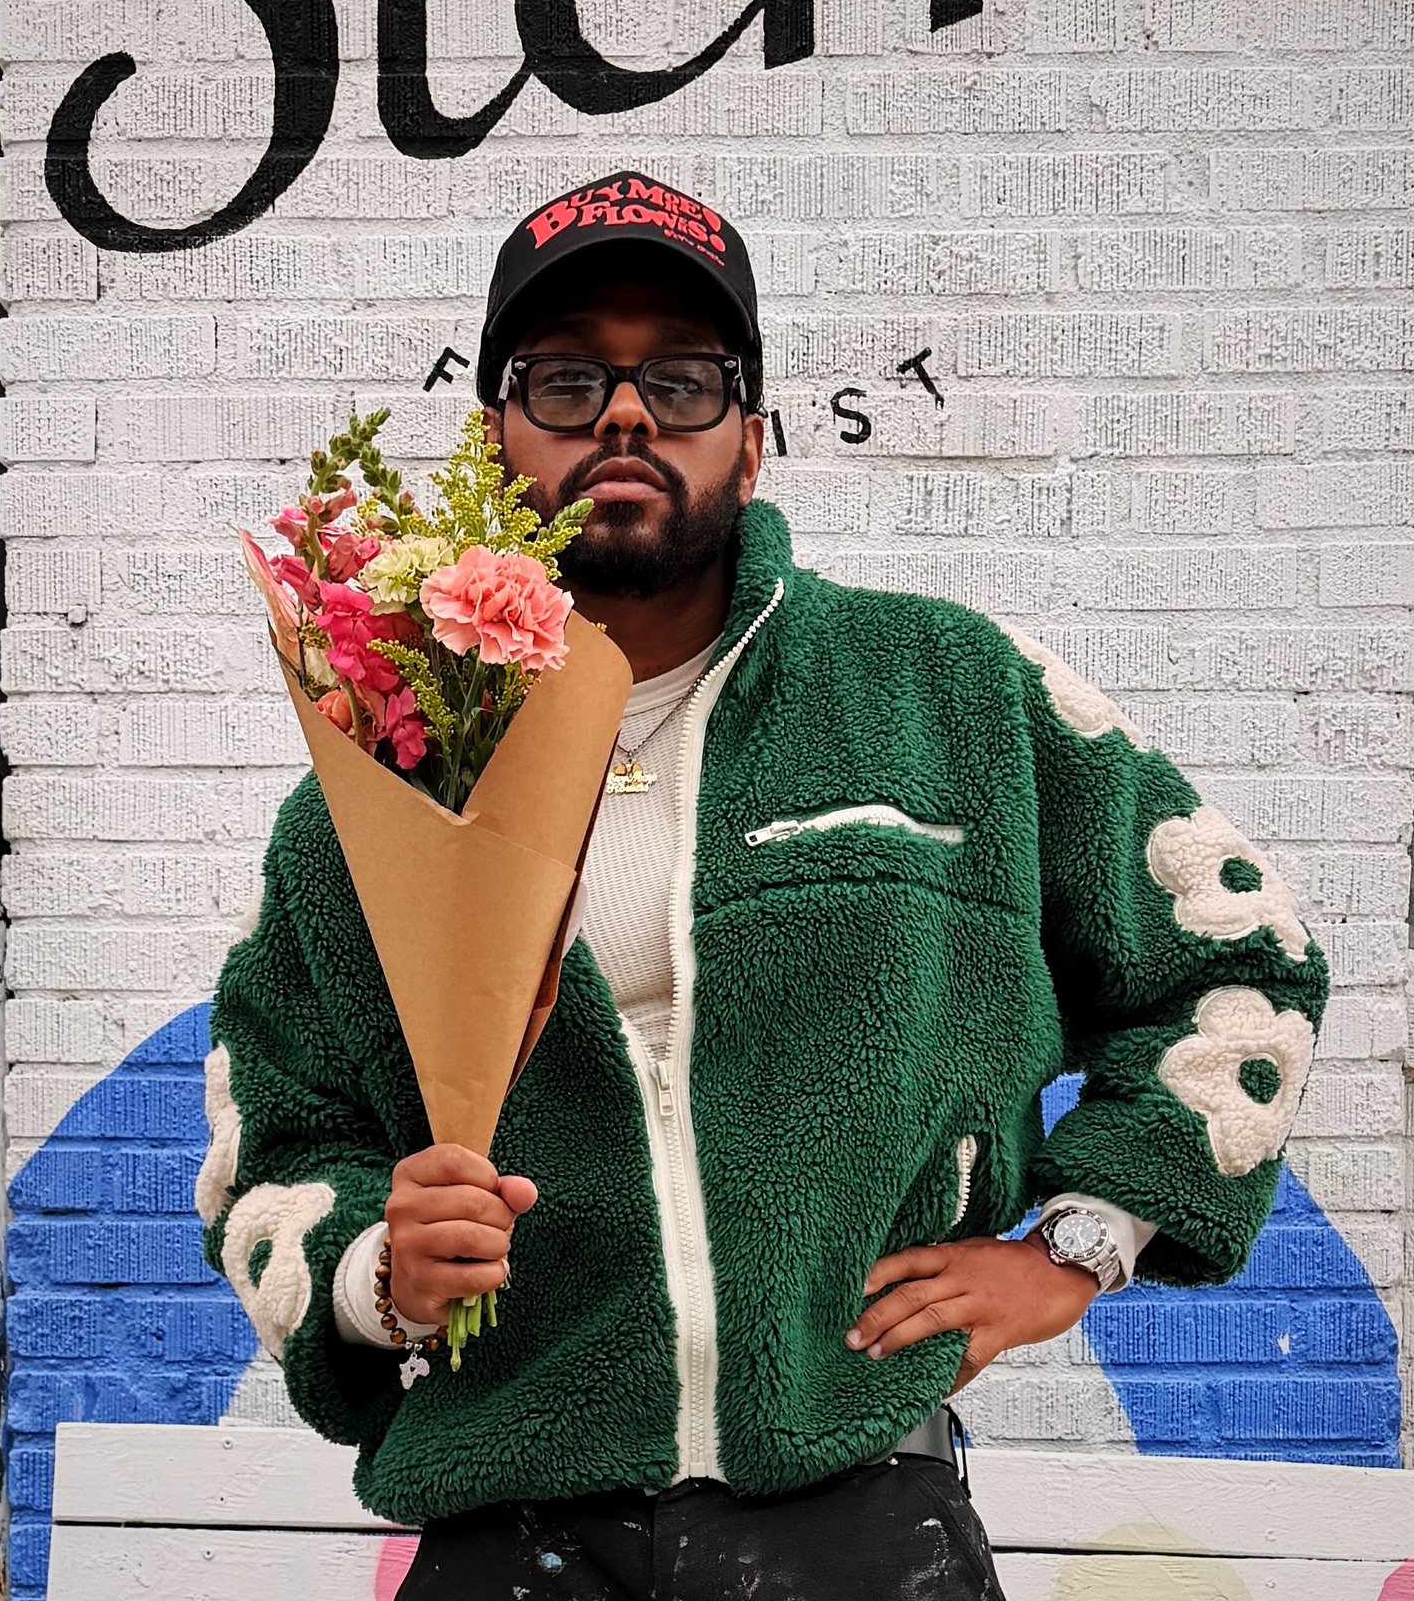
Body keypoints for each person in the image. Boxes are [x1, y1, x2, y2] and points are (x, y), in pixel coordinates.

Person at [199, 171, 1328, 1601]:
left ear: (751, 438)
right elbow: (274, 1138)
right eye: (566, 381)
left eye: (679, 379)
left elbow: (1240, 962)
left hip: (860, 1508)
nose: (623, 417)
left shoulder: (945, 692)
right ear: (496, 439)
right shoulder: (385, 780)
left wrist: (1082, 1243)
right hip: (508, 1522)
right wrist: (377, 1276)